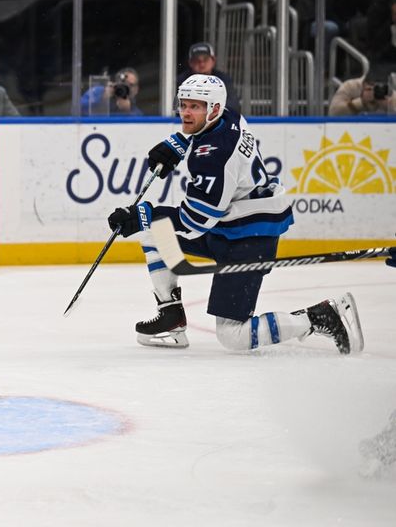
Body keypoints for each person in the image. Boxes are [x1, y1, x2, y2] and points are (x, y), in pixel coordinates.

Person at [106, 74, 363, 355]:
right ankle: (171, 317)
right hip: (232, 223)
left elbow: (196, 221)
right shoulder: (228, 117)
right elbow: (206, 135)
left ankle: (320, 316)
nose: (186, 112)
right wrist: (178, 143)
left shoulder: (213, 156)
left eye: (195, 107)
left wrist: (144, 214)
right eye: (184, 105)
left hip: (250, 237)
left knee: (233, 336)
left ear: (213, 108)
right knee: (155, 233)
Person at [176, 43, 241, 114]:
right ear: (190, 63)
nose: (202, 64)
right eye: (197, 60)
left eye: (205, 59)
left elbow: (233, 105)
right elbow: (175, 106)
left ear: (213, 61)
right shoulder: (182, 81)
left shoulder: (223, 80)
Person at [329, 69, 396, 115]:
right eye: (371, 86)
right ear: (364, 82)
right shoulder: (350, 86)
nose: (375, 90)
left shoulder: (388, 92)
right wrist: (360, 102)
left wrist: (389, 106)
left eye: (378, 87)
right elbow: (333, 113)